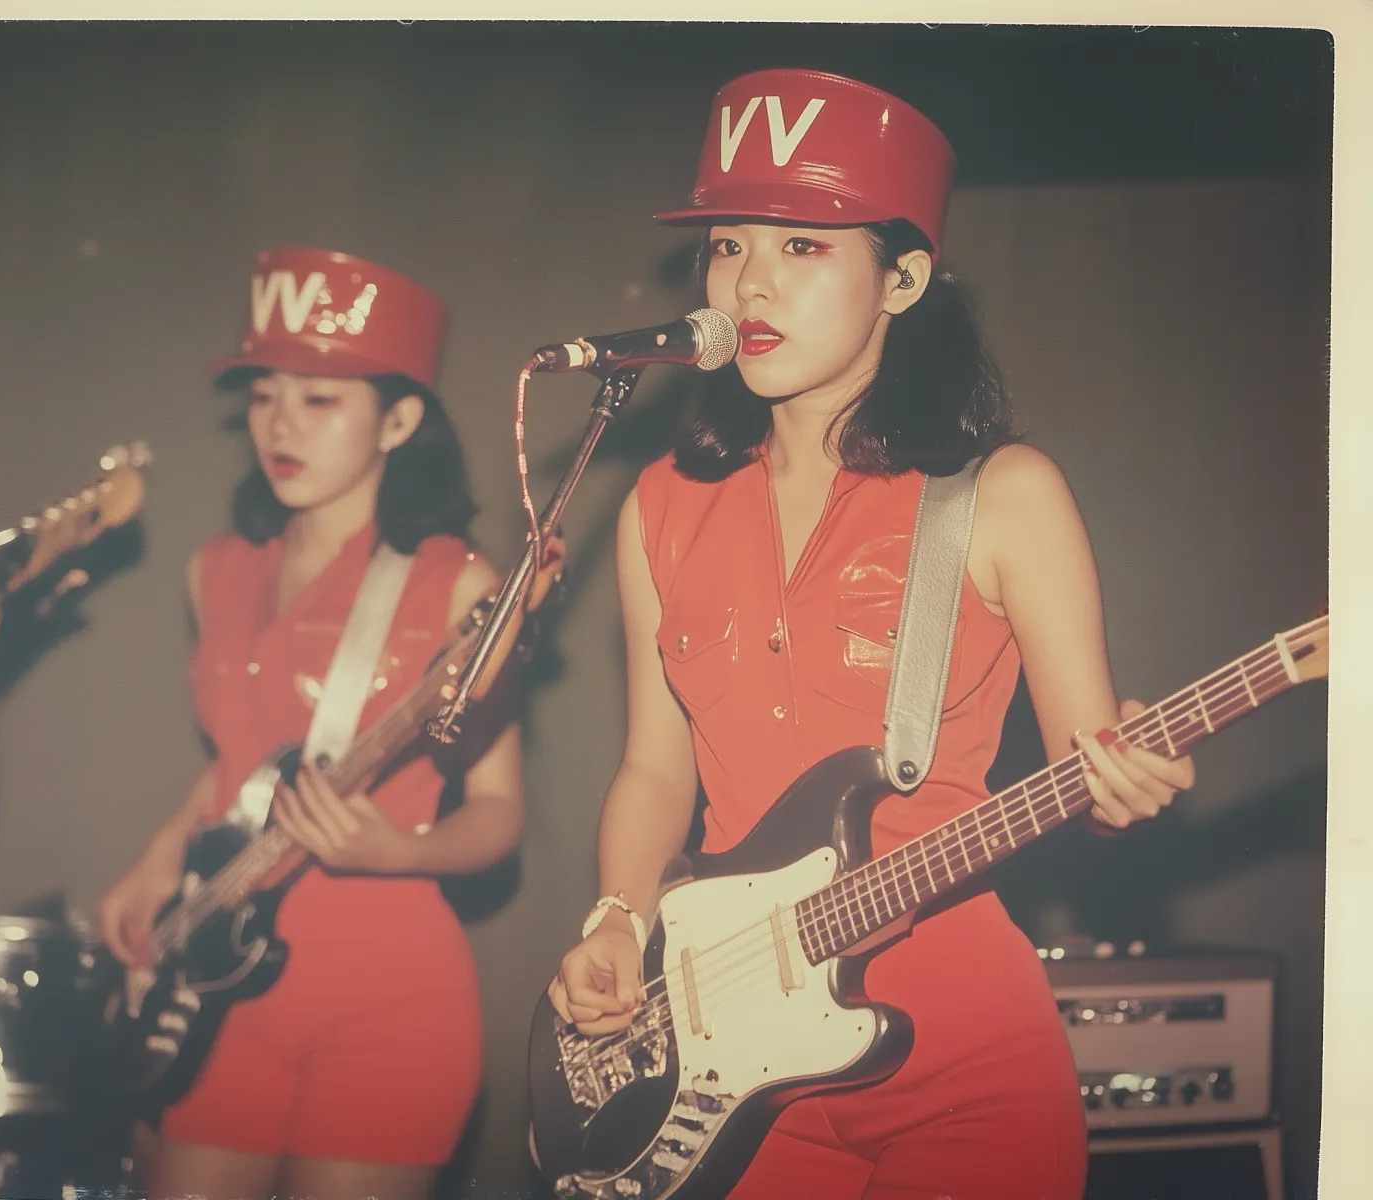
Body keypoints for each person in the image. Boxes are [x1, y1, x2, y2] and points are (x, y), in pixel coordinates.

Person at [546, 69, 1195, 1200]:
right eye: (728, 246)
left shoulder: (1004, 494)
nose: (749, 282)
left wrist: (1118, 779)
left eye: (803, 249)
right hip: (728, 1058)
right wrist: (615, 919)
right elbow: (655, 767)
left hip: (962, 1045)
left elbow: (1086, 767)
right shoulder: (659, 500)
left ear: (901, 279)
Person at [97, 248, 526, 1200]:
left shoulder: (458, 585)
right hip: (221, 992)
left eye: (322, 399)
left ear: (401, 419)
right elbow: (232, 764)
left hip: (390, 995)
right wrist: (160, 857)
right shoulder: (214, 570)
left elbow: (500, 813)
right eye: (264, 395)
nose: (280, 424)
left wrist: (397, 850)